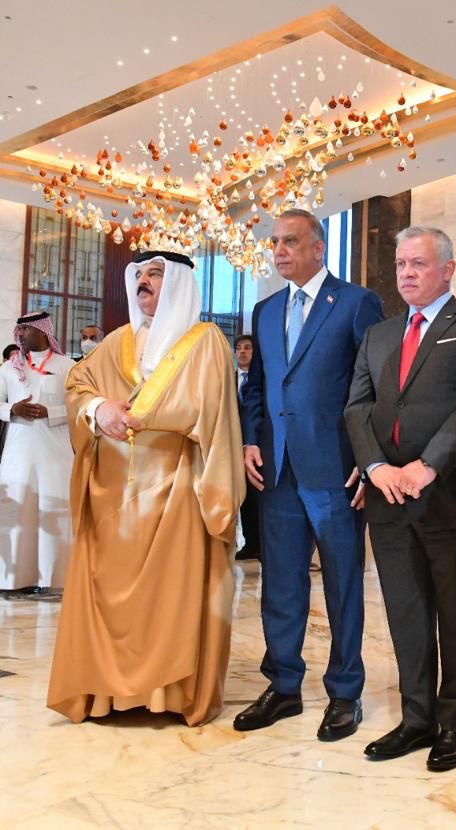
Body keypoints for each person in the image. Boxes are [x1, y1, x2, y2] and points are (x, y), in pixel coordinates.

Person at [47, 251, 245, 726]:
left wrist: (142, 415)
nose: (145, 281)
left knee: (168, 599)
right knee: (110, 598)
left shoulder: (205, 341)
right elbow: (77, 384)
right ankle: (108, 695)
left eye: (156, 273)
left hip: (177, 489)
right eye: (139, 274)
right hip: (112, 495)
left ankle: (167, 697)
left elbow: (209, 408)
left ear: (177, 283)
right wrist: (98, 410)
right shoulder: (116, 342)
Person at [345, 225, 456, 772]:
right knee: (406, 613)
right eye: (400, 264)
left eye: (418, 263)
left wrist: (428, 464)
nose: (406, 273)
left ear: (448, 269)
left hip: (451, 495)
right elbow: (356, 407)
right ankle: (417, 718)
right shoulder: (379, 335)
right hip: (389, 497)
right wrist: (375, 468)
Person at [235, 209, 383, 741]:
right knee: (280, 582)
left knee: (342, 582)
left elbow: (375, 386)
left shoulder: (356, 302)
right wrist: (251, 439)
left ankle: (345, 692)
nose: (279, 251)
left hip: (336, 470)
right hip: (276, 471)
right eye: (275, 242)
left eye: (290, 242)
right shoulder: (266, 309)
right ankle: (283, 685)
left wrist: (369, 459)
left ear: (318, 248)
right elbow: (257, 386)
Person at [0, 312, 75, 592]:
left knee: (53, 511)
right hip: (18, 453)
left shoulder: (67, 367)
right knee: (16, 511)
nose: (20, 335)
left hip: (56, 453)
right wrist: (13, 409)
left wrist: (50, 412)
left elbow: (79, 406)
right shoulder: (9, 368)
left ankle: (52, 581)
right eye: (18, 330)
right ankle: (13, 580)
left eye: (25, 330)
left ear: (42, 331)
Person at [234, 334, 259, 561]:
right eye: (239, 348)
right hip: (234, 446)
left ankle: (264, 545)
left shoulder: (262, 379)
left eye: (248, 348)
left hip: (259, 445)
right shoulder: (227, 379)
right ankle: (250, 544)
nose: (242, 352)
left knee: (260, 495)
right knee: (244, 497)